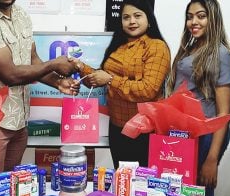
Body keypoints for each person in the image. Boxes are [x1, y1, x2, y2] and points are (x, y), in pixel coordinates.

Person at [0, 0, 79, 172]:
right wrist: (54, 64)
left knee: (10, 188)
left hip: (19, 120)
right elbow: (10, 74)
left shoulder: (21, 15)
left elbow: (32, 60)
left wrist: (57, 82)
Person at [72, 0, 171, 168]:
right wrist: (80, 67)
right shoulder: (118, 45)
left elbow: (148, 89)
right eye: (126, 17)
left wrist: (110, 80)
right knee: (122, 181)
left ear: (149, 20)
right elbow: (101, 77)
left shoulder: (156, 47)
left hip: (145, 131)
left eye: (137, 16)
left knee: (142, 185)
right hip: (117, 128)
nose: (131, 21)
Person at [166, 0, 230, 196]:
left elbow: (224, 112)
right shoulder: (190, 48)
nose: (193, 22)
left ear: (213, 19)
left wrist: (212, 159)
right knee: (179, 192)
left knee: (199, 195)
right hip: (184, 132)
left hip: (206, 135)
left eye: (201, 16)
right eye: (189, 16)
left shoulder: (221, 54)